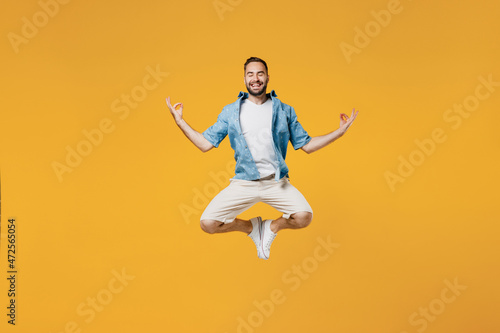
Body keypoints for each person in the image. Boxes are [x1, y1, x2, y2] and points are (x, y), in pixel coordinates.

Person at [166, 57, 358, 260]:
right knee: (208, 223)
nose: (255, 78)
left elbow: (307, 145)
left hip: (276, 183)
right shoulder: (231, 111)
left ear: (267, 77)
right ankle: (252, 228)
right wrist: (180, 122)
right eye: (250, 74)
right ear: (244, 79)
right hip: (244, 183)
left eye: (260, 74)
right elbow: (205, 144)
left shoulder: (284, 110)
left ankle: (271, 227)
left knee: (304, 217)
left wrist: (339, 132)